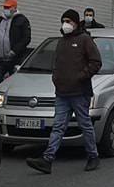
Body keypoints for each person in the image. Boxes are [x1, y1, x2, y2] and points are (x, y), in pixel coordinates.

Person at [27, 10, 103, 174]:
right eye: (63, 21)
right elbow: (58, 64)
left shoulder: (84, 40)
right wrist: (56, 78)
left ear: (76, 22)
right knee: (58, 126)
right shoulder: (61, 42)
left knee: (85, 125)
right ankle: (47, 159)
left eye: (68, 21)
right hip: (62, 93)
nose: (65, 24)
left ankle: (93, 156)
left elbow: (96, 62)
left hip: (80, 92)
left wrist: (81, 76)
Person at [0, 0, 32, 85]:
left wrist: (14, 51)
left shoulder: (22, 20)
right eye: (5, 7)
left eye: (8, 7)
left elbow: (26, 38)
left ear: (14, 8)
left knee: (14, 84)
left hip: (15, 59)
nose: (6, 9)